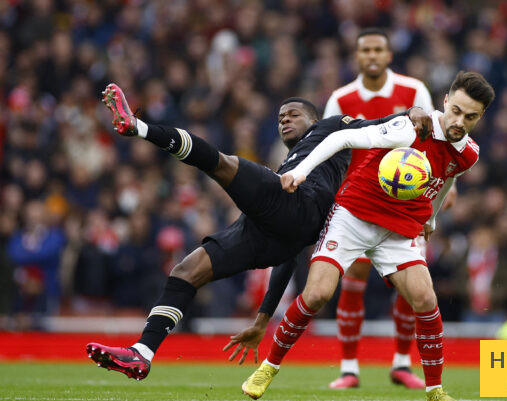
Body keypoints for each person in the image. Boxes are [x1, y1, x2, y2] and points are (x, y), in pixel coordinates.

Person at [85, 83, 431, 379]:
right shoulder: (290, 164)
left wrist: (411, 112)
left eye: (293, 113)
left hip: (300, 202)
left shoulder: (331, 126)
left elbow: (376, 124)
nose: (285, 118)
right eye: (281, 116)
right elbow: (289, 253)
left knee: (222, 163)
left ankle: (138, 128)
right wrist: (263, 319)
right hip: (277, 232)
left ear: (313, 119)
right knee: (187, 271)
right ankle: (142, 353)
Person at [239, 71, 495, 401]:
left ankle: (435, 393)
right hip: (354, 216)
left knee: (425, 300)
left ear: (480, 117)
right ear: (445, 102)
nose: (459, 121)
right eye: (456, 111)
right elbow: (343, 139)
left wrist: (431, 217)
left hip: (399, 228)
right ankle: (267, 368)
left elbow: (446, 180)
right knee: (316, 295)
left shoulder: (469, 154)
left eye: (470, 116)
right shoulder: (410, 127)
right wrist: (300, 172)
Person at [322, 27, 441, 389]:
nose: (372, 56)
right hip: (359, 203)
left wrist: (441, 192)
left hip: (406, 204)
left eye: (378, 50)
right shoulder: (341, 99)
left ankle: (402, 363)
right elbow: (331, 148)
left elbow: (434, 143)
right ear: (356, 57)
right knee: (353, 280)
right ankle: (349, 368)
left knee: (412, 284)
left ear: (389, 55)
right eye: (365, 50)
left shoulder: (413, 91)